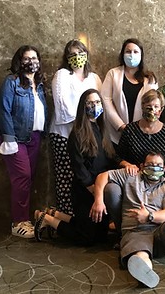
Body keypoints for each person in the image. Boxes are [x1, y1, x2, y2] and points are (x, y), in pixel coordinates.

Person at [93, 151, 165, 288]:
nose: (154, 167)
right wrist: (98, 201)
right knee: (140, 254)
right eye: (150, 164)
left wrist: (149, 216)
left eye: (158, 165)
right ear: (142, 166)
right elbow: (102, 176)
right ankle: (145, 271)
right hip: (135, 231)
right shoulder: (130, 175)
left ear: (164, 168)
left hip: (160, 231)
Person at [34, 89, 117, 245]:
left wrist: (124, 164)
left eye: (98, 102)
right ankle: (47, 219)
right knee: (86, 238)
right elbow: (78, 167)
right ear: (83, 107)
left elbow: (110, 157)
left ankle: (55, 213)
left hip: (100, 188)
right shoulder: (77, 133)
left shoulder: (102, 130)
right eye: (90, 103)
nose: (95, 105)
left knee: (99, 236)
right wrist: (94, 190)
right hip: (85, 190)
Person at [0, 45, 47, 239]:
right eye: (27, 58)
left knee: (28, 178)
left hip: (34, 136)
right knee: (22, 177)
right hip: (15, 138)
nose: (31, 62)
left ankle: (25, 219)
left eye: (35, 58)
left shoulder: (39, 84)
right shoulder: (12, 82)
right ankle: (18, 222)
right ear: (19, 61)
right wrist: (9, 139)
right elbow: (3, 110)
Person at [49, 39, 102, 215]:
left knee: (85, 176)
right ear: (66, 57)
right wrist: (83, 121)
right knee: (66, 176)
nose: (77, 57)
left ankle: (83, 217)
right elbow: (61, 106)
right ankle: (63, 217)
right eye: (72, 54)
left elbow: (99, 104)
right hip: (64, 134)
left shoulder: (93, 78)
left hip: (89, 135)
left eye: (80, 53)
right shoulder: (62, 75)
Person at [101, 38, 158, 145]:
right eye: (128, 51)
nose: (132, 54)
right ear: (122, 54)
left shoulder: (150, 79)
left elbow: (154, 106)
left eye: (136, 52)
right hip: (116, 133)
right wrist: (121, 126)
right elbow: (106, 101)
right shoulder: (113, 74)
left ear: (141, 55)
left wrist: (142, 128)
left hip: (143, 134)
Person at [117, 89, 165, 184]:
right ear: (142, 107)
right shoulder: (130, 130)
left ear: (161, 109)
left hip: (161, 182)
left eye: (156, 107)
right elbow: (118, 157)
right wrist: (127, 165)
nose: (152, 110)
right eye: (148, 107)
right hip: (134, 181)